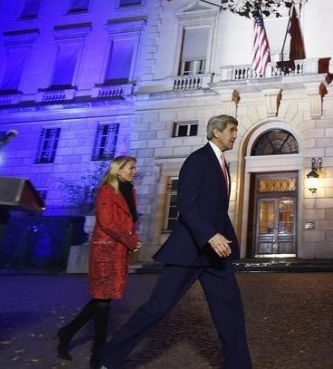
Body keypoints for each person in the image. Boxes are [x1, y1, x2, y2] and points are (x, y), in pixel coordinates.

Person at [96, 115, 251, 369]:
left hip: (216, 253)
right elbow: (186, 207)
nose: (235, 135)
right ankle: (107, 359)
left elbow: (216, 210)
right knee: (158, 307)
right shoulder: (197, 160)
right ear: (216, 132)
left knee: (230, 310)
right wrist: (210, 235)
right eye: (232, 130)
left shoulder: (222, 163)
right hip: (189, 250)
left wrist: (221, 238)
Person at [55, 156, 142, 368]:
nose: (133, 171)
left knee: (103, 300)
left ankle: (66, 333)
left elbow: (129, 221)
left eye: (134, 168)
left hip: (119, 250)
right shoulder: (106, 190)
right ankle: (98, 355)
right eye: (130, 168)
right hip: (105, 251)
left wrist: (132, 241)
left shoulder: (130, 191)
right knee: (103, 301)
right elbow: (107, 222)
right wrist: (131, 240)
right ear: (118, 170)